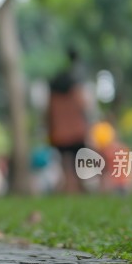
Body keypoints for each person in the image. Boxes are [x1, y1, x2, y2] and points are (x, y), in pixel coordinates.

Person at [47, 49, 89, 193]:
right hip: (77, 131)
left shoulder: (53, 93)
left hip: (60, 133)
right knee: (79, 161)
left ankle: (69, 187)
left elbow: (48, 114)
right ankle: (79, 187)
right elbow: (83, 107)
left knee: (66, 162)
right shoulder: (75, 88)